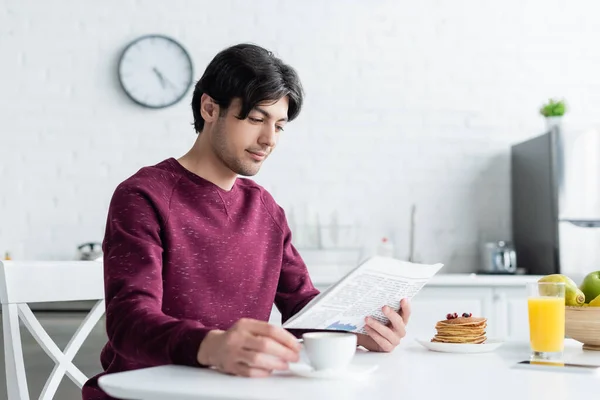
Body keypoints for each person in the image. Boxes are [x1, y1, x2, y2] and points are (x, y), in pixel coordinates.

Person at [83, 43, 411, 400]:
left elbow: (302, 306)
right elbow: (128, 322)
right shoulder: (143, 196)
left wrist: (354, 331)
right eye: (256, 119)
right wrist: (213, 346)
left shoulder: (265, 209)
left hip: (234, 393)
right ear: (210, 108)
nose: (269, 140)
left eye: (279, 126)